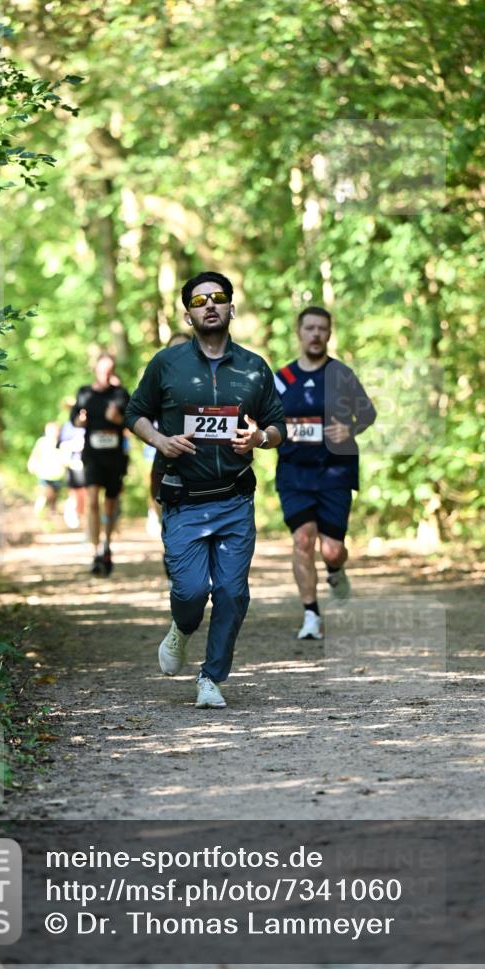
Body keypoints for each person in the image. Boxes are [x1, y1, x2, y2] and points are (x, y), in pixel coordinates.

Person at [126, 271, 286, 709]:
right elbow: (135, 412)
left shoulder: (254, 367)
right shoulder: (167, 364)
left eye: (218, 298)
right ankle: (182, 628)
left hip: (235, 497)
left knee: (232, 592)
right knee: (191, 592)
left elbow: (278, 425)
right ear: (188, 315)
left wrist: (260, 438)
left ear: (232, 307)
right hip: (183, 499)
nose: (209, 305)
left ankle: (211, 677)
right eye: (199, 301)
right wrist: (160, 441)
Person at [273, 305, 376, 640]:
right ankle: (311, 615)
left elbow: (368, 413)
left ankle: (336, 569)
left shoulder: (341, 375)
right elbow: (264, 417)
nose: (316, 334)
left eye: (322, 328)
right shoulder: (283, 378)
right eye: (310, 328)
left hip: (335, 471)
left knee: (331, 549)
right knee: (303, 539)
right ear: (299, 332)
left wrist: (350, 428)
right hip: (294, 473)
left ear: (329, 333)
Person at [71, 354, 130, 576]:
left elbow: (133, 421)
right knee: (92, 501)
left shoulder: (120, 394)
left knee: (110, 506)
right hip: (92, 456)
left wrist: (118, 420)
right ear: (95, 370)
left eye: (110, 370)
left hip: (114, 457)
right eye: (102, 370)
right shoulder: (85, 393)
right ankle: (95, 550)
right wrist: (80, 421)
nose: (106, 374)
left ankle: (107, 544)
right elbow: (74, 418)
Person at [145, 332, 191, 542]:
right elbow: (138, 415)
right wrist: (159, 440)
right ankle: (171, 551)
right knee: (168, 513)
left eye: (185, 349)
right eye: (174, 350)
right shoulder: (158, 382)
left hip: (202, 463)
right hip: (166, 461)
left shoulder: (211, 380)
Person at [57, 401, 86, 530]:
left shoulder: (91, 424)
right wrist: (74, 445)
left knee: (85, 493)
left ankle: (82, 517)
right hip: (73, 464)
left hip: (88, 463)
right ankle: (73, 515)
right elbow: (61, 445)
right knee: (75, 492)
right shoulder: (68, 426)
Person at [27, 421, 65, 516]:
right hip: (44, 473)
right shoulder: (42, 442)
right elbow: (35, 454)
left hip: (57, 475)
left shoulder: (62, 443)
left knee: (54, 495)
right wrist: (31, 463)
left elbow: (65, 457)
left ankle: (52, 511)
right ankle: (37, 513)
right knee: (43, 494)